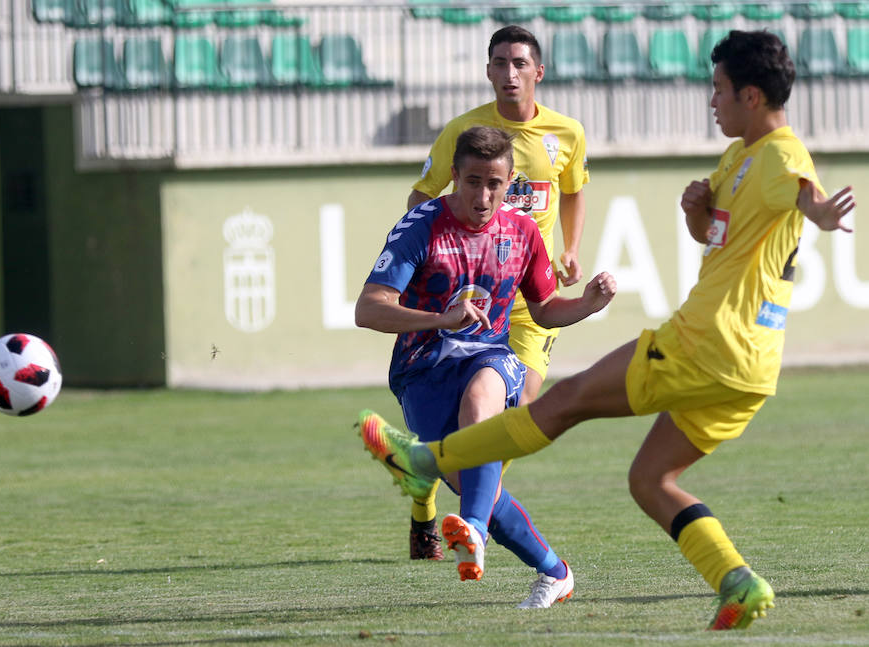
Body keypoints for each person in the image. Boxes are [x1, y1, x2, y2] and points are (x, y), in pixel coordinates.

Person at [358, 31, 856, 629]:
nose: (711, 101)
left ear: (750, 94)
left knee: (561, 402)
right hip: (753, 369)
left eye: (719, 89)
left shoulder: (778, 152)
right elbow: (716, 233)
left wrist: (820, 210)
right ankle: (737, 581)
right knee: (650, 479)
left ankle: (427, 462)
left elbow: (803, 188)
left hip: (708, 340)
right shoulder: (737, 158)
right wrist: (699, 211)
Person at [355, 126, 617, 607]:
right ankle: (555, 572)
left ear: (510, 179)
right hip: (422, 370)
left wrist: (587, 304)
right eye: (473, 181)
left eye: (494, 183)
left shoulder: (521, 230)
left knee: (483, 398)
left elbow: (542, 310)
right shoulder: (421, 226)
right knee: (480, 485)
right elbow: (368, 309)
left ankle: (469, 529)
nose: (483, 195)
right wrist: (440, 318)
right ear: (453, 176)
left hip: (490, 355)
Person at [404, 25, 590, 560]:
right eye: (500, 64)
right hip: (470, 300)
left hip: (529, 297)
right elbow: (423, 193)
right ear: (488, 71)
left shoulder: (567, 134)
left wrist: (571, 247)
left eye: (519, 64)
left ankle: (467, 518)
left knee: (515, 410)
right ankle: (442, 507)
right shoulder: (463, 132)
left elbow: (574, 191)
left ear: (539, 71)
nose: (510, 74)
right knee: (476, 422)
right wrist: (421, 261)